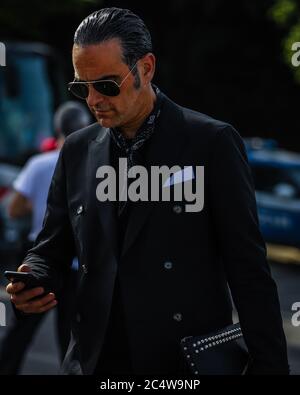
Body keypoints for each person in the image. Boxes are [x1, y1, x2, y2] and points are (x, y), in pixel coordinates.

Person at [6, 8, 289, 375]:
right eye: (81, 87)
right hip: (95, 363)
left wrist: (271, 367)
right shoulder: (76, 150)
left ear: (146, 68)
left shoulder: (211, 143)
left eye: (106, 85)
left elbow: (248, 269)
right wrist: (35, 275)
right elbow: (53, 245)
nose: (92, 100)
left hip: (182, 365)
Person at [0, 101, 91, 374]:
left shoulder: (39, 164)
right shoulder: (94, 164)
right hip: (77, 259)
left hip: (38, 255)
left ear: (57, 127)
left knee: (23, 330)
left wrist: (39, 204)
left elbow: (14, 210)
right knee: (72, 336)